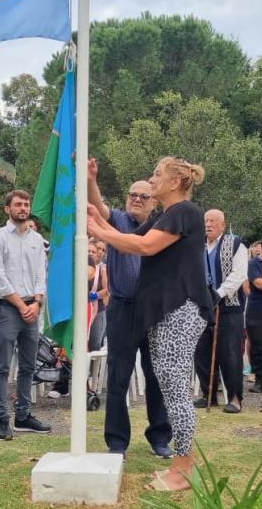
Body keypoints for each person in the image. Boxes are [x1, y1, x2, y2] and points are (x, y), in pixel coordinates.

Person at [87, 156, 213, 491]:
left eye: (157, 175)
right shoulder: (166, 216)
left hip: (180, 309)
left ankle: (183, 468)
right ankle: (179, 464)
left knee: (174, 389)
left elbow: (143, 246)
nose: (151, 179)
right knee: (171, 388)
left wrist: (98, 230)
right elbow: (124, 237)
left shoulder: (185, 212)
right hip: (164, 312)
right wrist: (96, 220)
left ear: (175, 182)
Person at [86, 158, 172, 459]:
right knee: (118, 376)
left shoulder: (162, 226)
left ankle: (160, 438)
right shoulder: (120, 221)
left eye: (143, 196)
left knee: (156, 375)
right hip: (121, 310)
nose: (136, 199)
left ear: (154, 202)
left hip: (154, 313)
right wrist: (92, 180)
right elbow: (98, 206)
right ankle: (117, 442)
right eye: (132, 195)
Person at [0, 190, 50, 441]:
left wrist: (35, 303)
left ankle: (23, 415)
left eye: (26, 204)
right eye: (18, 204)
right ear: (7, 209)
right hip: (7, 308)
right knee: (2, 366)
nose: (23, 208)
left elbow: (40, 274)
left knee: (28, 366)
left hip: (32, 308)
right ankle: (1, 419)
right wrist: (20, 305)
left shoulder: (37, 239)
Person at [194, 208, 247, 414]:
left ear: (223, 225)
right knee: (201, 351)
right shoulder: (197, 245)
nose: (208, 225)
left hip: (229, 306)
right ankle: (208, 394)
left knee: (230, 353)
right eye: (206, 221)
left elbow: (239, 273)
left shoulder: (235, 244)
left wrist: (219, 293)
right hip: (202, 306)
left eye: (213, 221)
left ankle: (235, 397)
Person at [244, 234, 262, 393]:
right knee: (258, 344)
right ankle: (260, 380)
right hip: (257, 308)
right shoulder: (253, 263)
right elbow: (258, 283)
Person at [86, 241, 109, 351]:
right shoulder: (76, 269)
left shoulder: (102, 270)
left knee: (94, 346)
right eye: (88, 251)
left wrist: (92, 296)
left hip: (97, 311)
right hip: (81, 311)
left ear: (97, 255)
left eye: (93, 252)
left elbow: (106, 291)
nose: (90, 253)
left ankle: (93, 368)